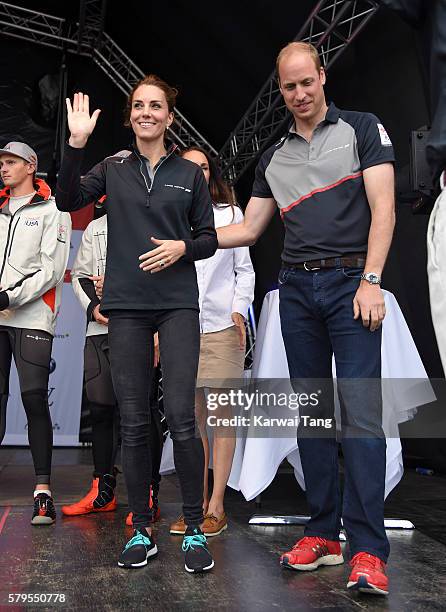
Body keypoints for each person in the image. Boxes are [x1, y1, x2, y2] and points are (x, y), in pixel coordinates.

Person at [214, 42, 396, 595]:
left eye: (305, 83)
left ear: (321, 76)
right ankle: (324, 534)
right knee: (313, 418)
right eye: (288, 88)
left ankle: (368, 549)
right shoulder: (272, 157)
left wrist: (371, 280)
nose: (298, 95)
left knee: (361, 418)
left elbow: (384, 210)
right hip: (296, 290)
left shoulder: (363, 128)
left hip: (350, 285)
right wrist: (186, 242)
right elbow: (248, 230)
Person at [55, 75, 218, 573]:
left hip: (176, 305)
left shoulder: (189, 174)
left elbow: (209, 239)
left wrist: (182, 248)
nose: (147, 112)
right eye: (138, 105)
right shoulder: (113, 167)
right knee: (132, 420)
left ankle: (192, 528)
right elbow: (65, 198)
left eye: (156, 105)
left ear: (169, 116)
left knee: (181, 416)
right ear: (130, 116)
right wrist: (75, 143)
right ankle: (142, 528)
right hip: (125, 306)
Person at [169, 147, 255, 537]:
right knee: (190, 423)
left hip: (222, 329)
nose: (197, 172)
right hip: (179, 328)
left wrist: (238, 310)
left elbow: (244, 271)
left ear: (211, 173)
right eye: (190, 166)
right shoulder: (168, 214)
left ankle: (216, 506)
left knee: (222, 419)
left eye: (204, 166)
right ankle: (195, 507)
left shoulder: (230, 215)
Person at [62, 213, 164, 525]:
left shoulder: (155, 220)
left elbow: (165, 275)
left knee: (141, 410)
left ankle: (148, 493)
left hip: (141, 325)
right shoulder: (97, 226)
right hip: (100, 328)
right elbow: (81, 275)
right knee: (101, 410)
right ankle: (102, 490)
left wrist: (119, 285)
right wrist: (94, 308)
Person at [0, 141, 71, 524]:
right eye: (1, 163)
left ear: (31, 166)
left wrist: (8, 295)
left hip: (30, 317)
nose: (4, 168)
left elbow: (52, 269)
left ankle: (43, 491)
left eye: (11, 162)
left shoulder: (53, 210)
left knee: (33, 401)